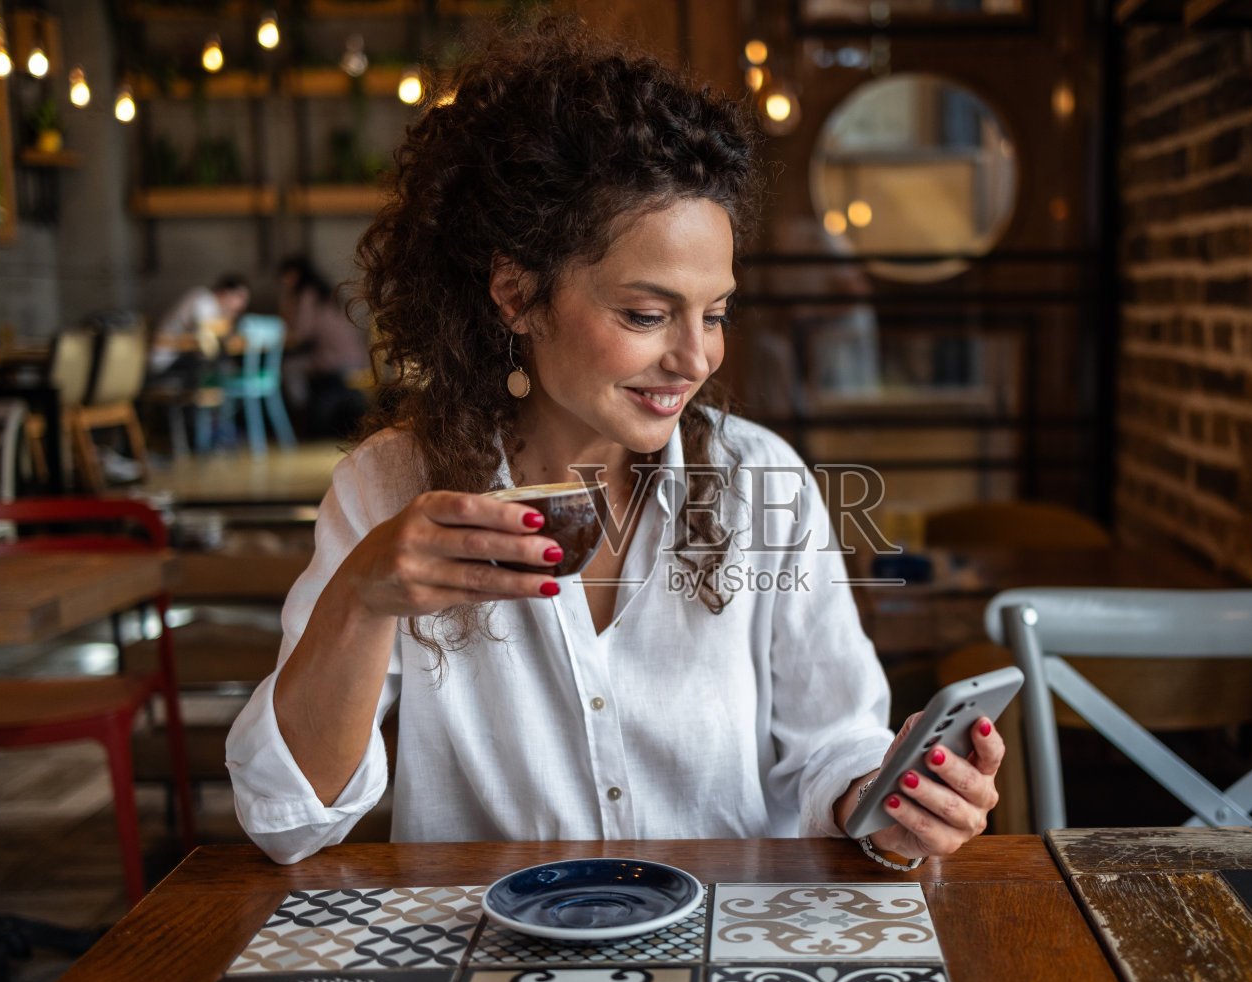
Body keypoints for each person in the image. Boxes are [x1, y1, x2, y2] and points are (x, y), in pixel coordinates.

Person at [225, 19, 1002, 868]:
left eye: (714, 314)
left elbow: (834, 741)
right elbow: (286, 820)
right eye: (645, 314)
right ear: (517, 295)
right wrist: (363, 597)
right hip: (492, 968)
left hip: (723, 954)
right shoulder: (389, 488)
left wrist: (885, 800)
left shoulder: (758, 479)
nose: (695, 357)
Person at [277, 255, 371, 439]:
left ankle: (299, 418)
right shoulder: (325, 293)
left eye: (285, 276)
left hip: (333, 360)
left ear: (294, 274)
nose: (283, 281)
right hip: (357, 357)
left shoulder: (307, 294)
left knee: (289, 368)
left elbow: (301, 333)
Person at [149, 273, 251, 382]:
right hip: (165, 362)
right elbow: (207, 341)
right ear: (225, 292)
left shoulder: (213, 308)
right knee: (215, 363)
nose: (243, 304)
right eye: (240, 297)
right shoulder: (203, 300)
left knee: (222, 364)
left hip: (180, 359)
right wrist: (228, 320)